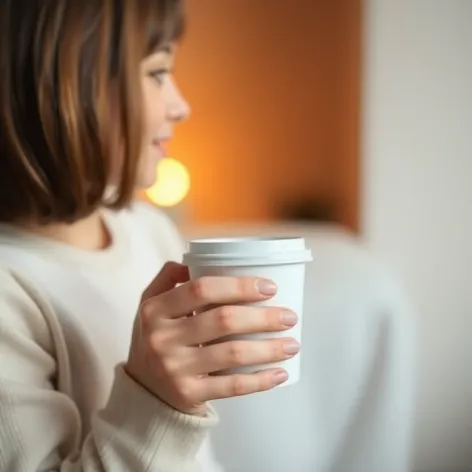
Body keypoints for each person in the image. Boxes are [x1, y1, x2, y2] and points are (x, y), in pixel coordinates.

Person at [0, 1, 417, 472]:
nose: (181, 105)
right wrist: (157, 402)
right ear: (64, 89)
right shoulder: (11, 294)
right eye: (158, 73)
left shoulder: (145, 228)